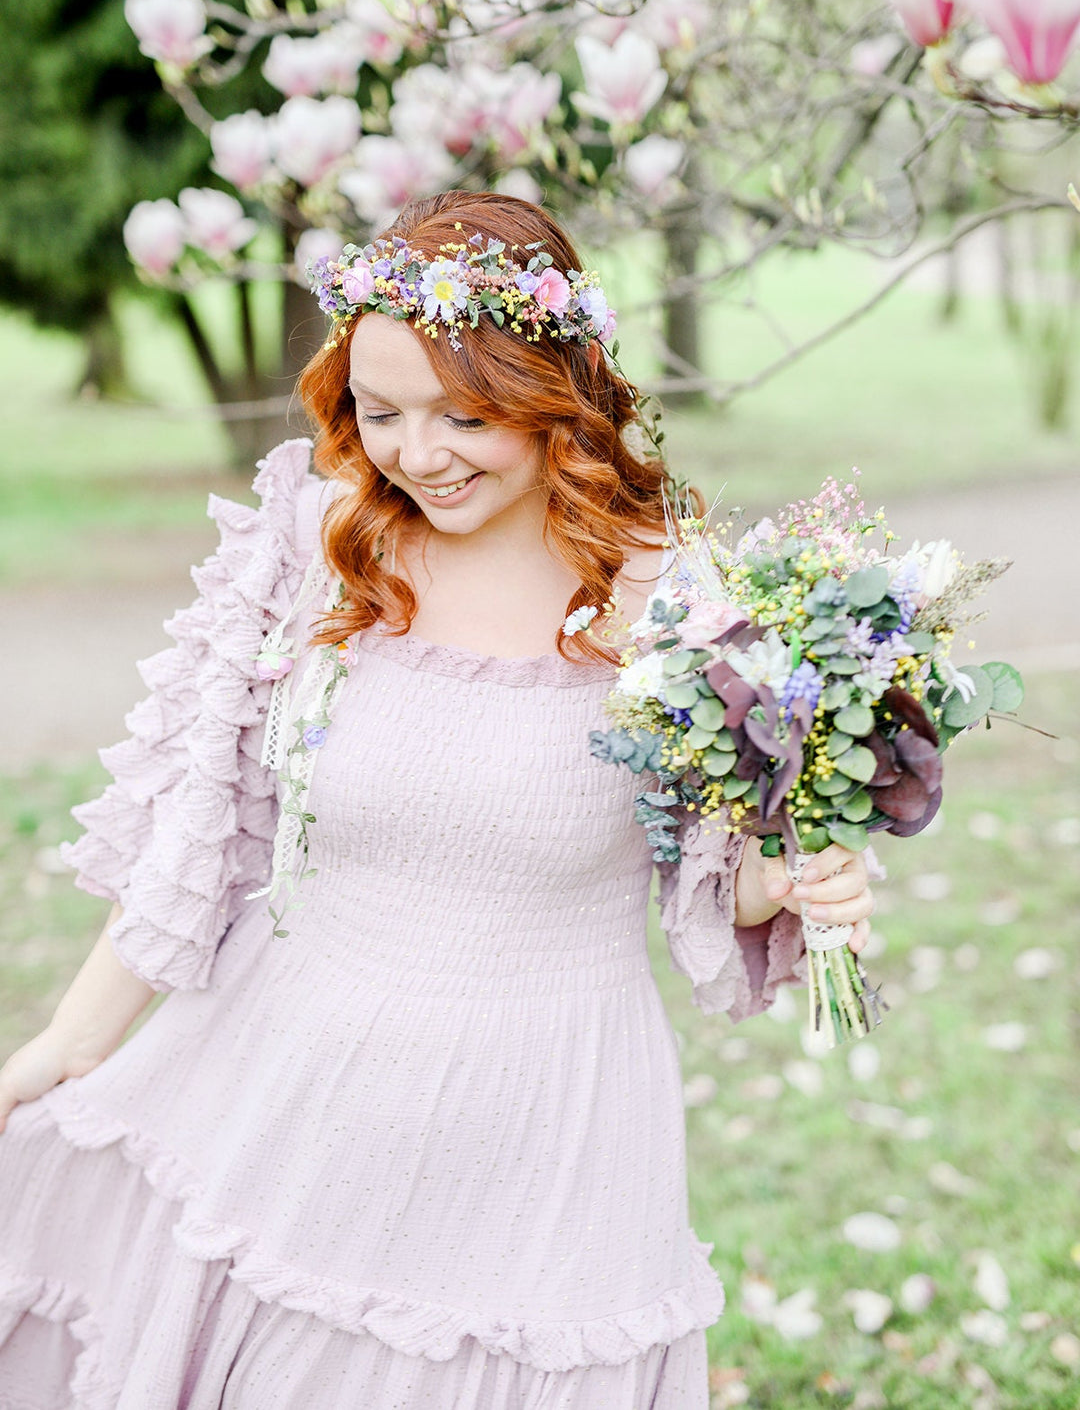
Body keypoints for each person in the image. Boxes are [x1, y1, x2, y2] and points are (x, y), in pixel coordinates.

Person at [0, 191, 877, 1409]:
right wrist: (69, 1046)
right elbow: (195, 844)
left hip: (542, 1132)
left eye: (466, 413)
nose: (419, 454)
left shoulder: (674, 606)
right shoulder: (318, 550)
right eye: (383, 411)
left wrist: (780, 882)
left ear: (551, 393)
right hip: (286, 1097)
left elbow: (710, 867)